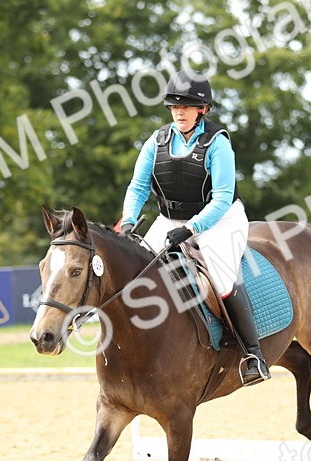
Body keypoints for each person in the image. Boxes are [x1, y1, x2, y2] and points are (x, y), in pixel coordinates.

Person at [115, 70, 269, 385]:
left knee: (220, 272)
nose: (179, 112)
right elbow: (138, 187)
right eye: (174, 106)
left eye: (186, 106)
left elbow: (223, 197)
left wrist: (192, 229)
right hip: (170, 219)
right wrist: (129, 219)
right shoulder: (155, 141)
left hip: (219, 219)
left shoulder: (218, 142)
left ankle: (253, 354)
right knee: (137, 269)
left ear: (203, 109)